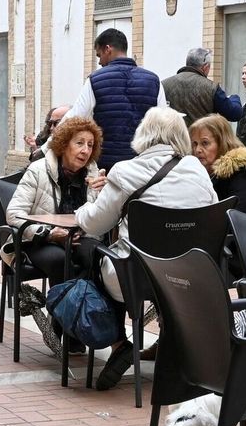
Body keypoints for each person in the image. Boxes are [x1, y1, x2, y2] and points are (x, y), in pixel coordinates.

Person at [72, 107, 216, 390]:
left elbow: (94, 223)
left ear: (144, 134)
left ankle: (117, 342)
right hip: (189, 276)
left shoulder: (126, 171)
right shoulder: (197, 169)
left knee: (90, 251)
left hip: (135, 278)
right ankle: (175, 345)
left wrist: (84, 208)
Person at [6, 117, 104, 354]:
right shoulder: (38, 170)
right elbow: (13, 214)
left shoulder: (92, 174)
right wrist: (47, 233)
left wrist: (105, 194)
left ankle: (68, 324)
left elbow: (101, 219)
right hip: (38, 240)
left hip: (78, 238)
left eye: (90, 145)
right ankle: (69, 331)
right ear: (63, 144)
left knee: (95, 259)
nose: (85, 150)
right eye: (79, 143)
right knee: (63, 262)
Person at [66, 28, 165, 169]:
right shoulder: (154, 81)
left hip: (107, 166)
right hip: (144, 166)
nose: (99, 62)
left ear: (108, 49)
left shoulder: (95, 80)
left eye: (99, 55)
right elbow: (164, 126)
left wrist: (47, 147)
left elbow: (74, 119)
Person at [189, 114, 246, 217]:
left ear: (222, 143)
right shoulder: (203, 172)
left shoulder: (244, 173)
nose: (197, 150)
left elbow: (237, 217)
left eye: (205, 143)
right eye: (195, 144)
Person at [161, 47, 243, 126]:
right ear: (205, 67)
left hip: (173, 138)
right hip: (200, 138)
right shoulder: (211, 87)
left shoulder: (164, 84)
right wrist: (234, 98)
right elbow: (234, 114)